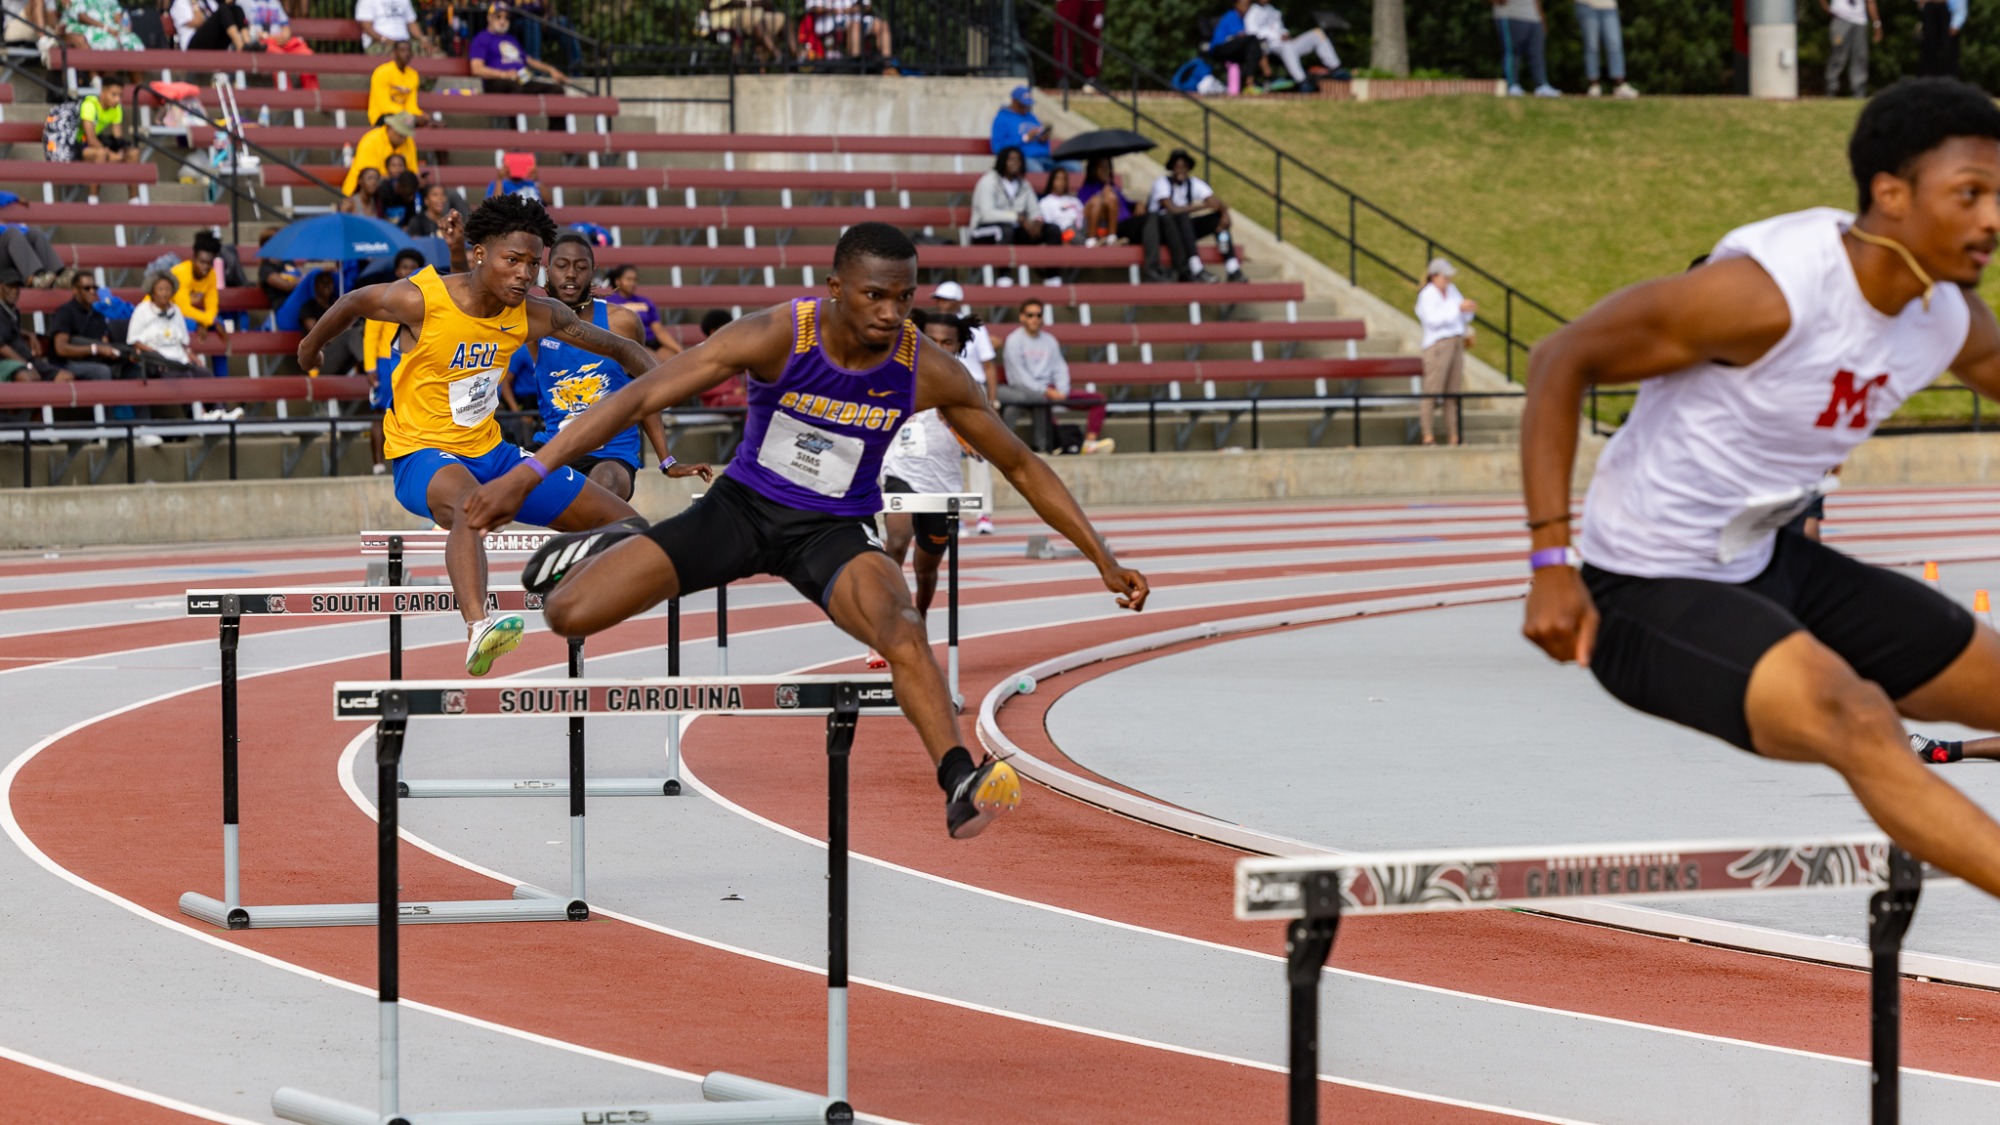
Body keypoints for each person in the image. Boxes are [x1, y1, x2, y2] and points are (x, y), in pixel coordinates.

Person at [461, 222, 1150, 840]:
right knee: (566, 611)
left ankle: (958, 777)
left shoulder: (923, 369)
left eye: (903, 298)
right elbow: (640, 393)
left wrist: (1102, 558)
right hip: (741, 512)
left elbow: (1021, 465)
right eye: (875, 296)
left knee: (903, 624)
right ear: (835, 289)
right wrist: (529, 475)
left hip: (834, 530)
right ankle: (611, 542)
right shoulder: (779, 335)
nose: (890, 314)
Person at [1518, 78, 2000, 907]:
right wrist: (1552, 559)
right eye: (1970, 194)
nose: (1993, 219)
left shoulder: (1946, 316)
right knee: (1857, 719)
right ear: (1891, 194)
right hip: (1645, 584)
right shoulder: (1771, 292)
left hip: (1766, 561)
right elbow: (1560, 359)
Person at [295, 194, 705, 676]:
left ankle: (565, 572)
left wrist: (666, 380)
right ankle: (479, 629)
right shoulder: (421, 299)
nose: (524, 275)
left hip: (493, 453)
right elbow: (352, 302)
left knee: (629, 528)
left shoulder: (535, 313)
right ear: (480, 255)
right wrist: (309, 350)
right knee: (471, 507)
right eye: (513, 261)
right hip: (422, 455)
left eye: (533, 265)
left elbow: (623, 349)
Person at [518, 232, 675, 502]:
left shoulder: (622, 322)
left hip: (611, 454)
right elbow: (477, 306)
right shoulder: (534, 323)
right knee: (497, 481)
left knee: (602, 485)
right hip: (554, 448)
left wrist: (666, 461)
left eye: (580, 267)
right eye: (562, 265)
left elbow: (647, 393)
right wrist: (457, 253)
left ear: (593, 272)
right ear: (547, 270)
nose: (571, 275)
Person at [882, 308, 976, 620]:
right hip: (900, 472)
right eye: (930, 339)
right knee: (896, 542)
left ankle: (917, 620)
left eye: (946, 342)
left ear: (958, 345)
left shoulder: (965, 387)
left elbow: (980, 450)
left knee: (926, 568)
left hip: (942, 485)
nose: (937, 346)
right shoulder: (896, 375)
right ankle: (886, 619)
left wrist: (956, 427)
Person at [998, 297, 1111, 455]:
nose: (1035, 319)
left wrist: (1062, 390)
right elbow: (1019, 377)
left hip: (1052, 389)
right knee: (1041, 403)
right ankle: (1056, 443)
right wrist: (1045, 391)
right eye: (1030, 315)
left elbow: (1060, 368)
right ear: (1022, 317)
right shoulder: (1014, 341)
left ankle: (1089, 444)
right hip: (1026, 391)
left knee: (1098, 400)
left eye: (1038, 315)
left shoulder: (1049, 340)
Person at [932, 281, 997, 534]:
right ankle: (953, 513)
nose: (940, 303)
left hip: (972, 394)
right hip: (944, 393)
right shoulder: (933, 328)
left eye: (945, 299)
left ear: (958, 301)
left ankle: (983, 513)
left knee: (980, 453)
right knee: (947, 453)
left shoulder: (975, 329)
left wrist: (993, 401)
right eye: (938, 299)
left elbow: (989, 366)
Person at [1148, 149, 1244, 284]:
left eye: (1183, 167)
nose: (1180, 170)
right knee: (1182, 216)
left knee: (1216, 221)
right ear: (1172, 168)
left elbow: (1215, 201)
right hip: (1164, 232)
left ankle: (1232, 267)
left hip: (1185, 231)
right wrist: (1203, 206)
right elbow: (1173, 210)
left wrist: (1224, 213)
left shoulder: (1193, 183)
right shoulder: (1162, 183)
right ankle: (1196, 267)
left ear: (1188, 168)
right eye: (1177, 166)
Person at [971, 147, 1061, 284]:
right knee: (1004, 230)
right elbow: (986, 214)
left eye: (1018, 160)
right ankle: (1004, 276)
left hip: (1014, 231)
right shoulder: (988, 182)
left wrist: (1037, 222)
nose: (1015, 163)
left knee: (1052, 230)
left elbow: (1035, 210)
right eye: (1011, 159)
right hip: (982, 231)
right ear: (1002, 161)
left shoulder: (1024, 185)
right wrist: (1018, 218)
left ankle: (1052, 277)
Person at [1416, 258, 1476, 446]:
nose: (1448, 279)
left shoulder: (1452, 291)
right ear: (1434, 276)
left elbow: (1462, 317)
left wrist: (1467, 309)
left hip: (1456, 341)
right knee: (1433, 390)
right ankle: (1427, 435)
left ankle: (1454, 436)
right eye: (1444, 276)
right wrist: (1457, 308)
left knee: (1453, 392)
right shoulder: (1427, 295)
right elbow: (1433, 320)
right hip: (1438, 345)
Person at [1245, 0, 1341, 94]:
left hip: (1287, 43)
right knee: (1287, 47)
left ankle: (1335, 68)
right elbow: (1252, 33)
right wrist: (1275, 36)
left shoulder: (1273, 10)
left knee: (1317, 33)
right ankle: (1302, 81)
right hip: (1272, 46)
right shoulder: (1252, 12)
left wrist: (1285, 33)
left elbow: (1281, 28)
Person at [50, 274, 128, 381]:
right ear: (75, 291)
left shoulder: (97, 315)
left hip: (93, 360)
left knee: (131, 369)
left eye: (94, 288)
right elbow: (61, 349)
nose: (92, 291)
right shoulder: (65, 312)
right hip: (66, 363)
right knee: (102, 371)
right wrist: (95, 349)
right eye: (87, 288)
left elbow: (103, 341)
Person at [0, 271, 72, 384]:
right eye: (9, 286)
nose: (14, 291)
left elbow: (10, 330)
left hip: (26, 359)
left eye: (17, 287)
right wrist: (26, 365)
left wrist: (30, 335)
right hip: (8, 362)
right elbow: (1, 346)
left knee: (66, 377)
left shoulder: (13, 311)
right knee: (27, 378)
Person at [78, 79, 141, 206]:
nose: (117, 99)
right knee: (101, 154)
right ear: (103, 92)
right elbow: (90, 139)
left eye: (120, 96)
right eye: (114, 95)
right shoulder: (89, 106)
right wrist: (110, 154)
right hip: (76, 144)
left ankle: (134, 201)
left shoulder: (116, 109)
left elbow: (118, 138)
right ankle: (93, 201)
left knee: (133, 153)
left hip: (97, 143)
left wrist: (120, 152)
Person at [172, 232, 227, 376]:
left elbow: (212, 306)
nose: (205, 267)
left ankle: (223, 381)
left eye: (209, 263)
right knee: (196, 325)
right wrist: (208, 321)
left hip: (188, 318)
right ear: (194, 258)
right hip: (168, 316)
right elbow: (182, 308)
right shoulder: (181, 272)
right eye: (202, 262)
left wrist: (206, 322)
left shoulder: (211, 275)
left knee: (220, 325)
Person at [605, 264, 680, 363]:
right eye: (628, 279)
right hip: (633, 344)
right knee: (657, 364)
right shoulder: (609, 303)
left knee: (676, 361)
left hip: (652, 341)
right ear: (617, 281)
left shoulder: (645, 302)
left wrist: (681, 351)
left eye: (635, 280)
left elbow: (659, 331)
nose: (632, 283)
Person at [127, 271, 196, 374]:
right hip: (157, 360)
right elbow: (133, 340)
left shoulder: (176, 310)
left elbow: (184, 340)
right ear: (152, 291)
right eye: (160, 289)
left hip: (179, 358)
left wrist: (189, 353)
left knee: (204, 374)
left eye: (167, 289)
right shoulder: (142, 310)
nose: (164, 293)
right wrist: (153, 353)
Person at [342, 112, 419, 196]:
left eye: (406, 135)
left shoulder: (409, 142)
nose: (404, 138)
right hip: (361, 193)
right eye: (401, 134)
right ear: (390, 127)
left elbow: (413, 171)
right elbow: (368, 177)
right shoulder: (371, 140)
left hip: (394, 192)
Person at [1493, 0, 1558, 98]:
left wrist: (1542, 19)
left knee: (1536, 54)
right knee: (1513, 52)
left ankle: (1542, 85)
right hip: (1510, 14)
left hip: (1534, 17)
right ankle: (1512, 85)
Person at [1575, 0, 1636, 98]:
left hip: (1609, 6)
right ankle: (1594, 85)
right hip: (1586, 5)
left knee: (1615, 44)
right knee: (1592, 46)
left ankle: (1619, 84)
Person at [989, 85, 1055, 174]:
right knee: (1038, 171)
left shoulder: (1031, 117)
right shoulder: (1001, 119)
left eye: (1027, 105)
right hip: (1023, 159)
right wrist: (1025, 138)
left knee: (1073, 167)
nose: (1025, 107)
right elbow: (997, 148)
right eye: (1022, 105)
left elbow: (1040, 136)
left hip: (1044, 157)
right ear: (1013, 101)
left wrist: (1042, 139)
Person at [1824, 0, 1882, 97]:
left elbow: (1870, 1)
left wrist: (1877, 23)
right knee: (1837, 56)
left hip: (1860, 21)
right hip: (1841, 18)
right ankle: (1831, 89)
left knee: (1860, 57)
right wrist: (1826, 8)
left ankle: (1858, 92)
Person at [1207, 0, 1266, 91]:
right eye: (1242, 4)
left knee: (1254, 47)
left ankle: (1250, 81)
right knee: (1253, 40)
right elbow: (1240, 36)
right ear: (1236, 5)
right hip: (1219, 48)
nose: (1245, 8)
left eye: (1247, 5)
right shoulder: (1232, 16)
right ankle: (1255, 79)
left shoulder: (1244, 19)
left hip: (1232, 49)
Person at [706, 0, 788, 64]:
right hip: (729, 19)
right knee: (754, 19)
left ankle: (798, 57)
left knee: (782, 19)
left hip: (755, 16)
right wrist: (749, 4)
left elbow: (766, 3)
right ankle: (778, 55)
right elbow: (731, 4)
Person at [694, 309, 746, 407]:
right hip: (718, 400)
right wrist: (732, 390)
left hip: (738, 396)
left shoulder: (732, 351)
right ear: (713, 332)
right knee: (745, 403)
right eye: (726, 329)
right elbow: (701, 385)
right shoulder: (701, 355)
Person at [369, 39, 423, 126]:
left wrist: (421, 116)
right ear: (395, 53)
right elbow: (384, 105)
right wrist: (409, 116)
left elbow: (411, 105)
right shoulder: (382, 72)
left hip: (405, 116)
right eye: (402, 50)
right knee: (407, 122)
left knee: (429, 123)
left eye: (409, 50)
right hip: (382, 115)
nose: (407, 54)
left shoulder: (413, 75)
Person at [64, 0, 141, 49]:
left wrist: (124, 26)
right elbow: (81, 16)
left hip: (111, 28)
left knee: (132, 41)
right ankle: (97, 74)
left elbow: (116, 14)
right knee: (107, 41)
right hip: (87, 26)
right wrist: (106, 28)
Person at [1917, 0, 1965, 79]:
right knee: (1928, 54)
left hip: (1948, 15)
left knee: (1949, 54)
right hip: (1929, 13)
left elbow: (1960, 5)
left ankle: (1950, 82)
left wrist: (1956, 23)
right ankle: (1927, 82)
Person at [1036, 167, 1085, 243]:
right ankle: (1090, 246)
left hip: (1080, 229)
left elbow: (1083, 216)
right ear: (1052, 181)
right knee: (1069, 231)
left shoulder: (1074, 200)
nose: (1061, 182)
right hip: (1064, 234)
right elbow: (1049, 226)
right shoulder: (1045, 202)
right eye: (1058, 179)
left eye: (1064, 179)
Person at [353, 0, 422, 53]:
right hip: (378, 43)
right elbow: (367, 27)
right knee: (401, 53)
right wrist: (385, 40)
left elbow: (412, 23)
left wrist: (423, 39)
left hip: (405, 43)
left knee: (428, 51)